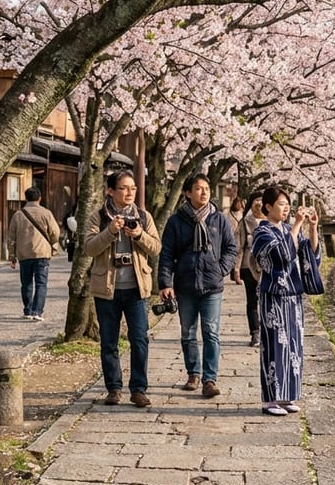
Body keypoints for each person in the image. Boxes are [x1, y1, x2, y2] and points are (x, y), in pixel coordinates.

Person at [85, 171, 161, 408]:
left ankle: (138, 389)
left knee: (139, 339)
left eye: (133, 189)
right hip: (107, 289)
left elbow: (156, 248)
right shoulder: (98, 217)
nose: (130, 193)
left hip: (137, 288)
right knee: (109, 341)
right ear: (111, 191)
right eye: (124, 188)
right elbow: (89, 248)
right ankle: (114, 388)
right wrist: (110, 232)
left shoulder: (143, 216)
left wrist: (138, 234)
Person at [159, 174, 238, 399]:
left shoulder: (219, 219)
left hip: (212, 285)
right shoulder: (176, 221)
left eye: (206, 188)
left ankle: (209, 379)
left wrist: (221, 268)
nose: (203, 192)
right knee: (188, 333)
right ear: (187, 193)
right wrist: (165, 282)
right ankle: (193, 373)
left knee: (211, 332)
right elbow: (166, 254)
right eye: (198, 188)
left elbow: (231, 248)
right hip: (185, 285)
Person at [252, 186, 319, 416]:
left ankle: (288, 396)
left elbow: (309, 256)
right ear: (268, 207)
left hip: (293, 297)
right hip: (273, 297)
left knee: (294, 347)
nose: (286, 208)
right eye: (281, 204)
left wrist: (312, 228)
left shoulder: (290, 229)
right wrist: (298, 225)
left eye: (287, 203)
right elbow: (281, 255)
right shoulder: (261, 233)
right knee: (275, 346)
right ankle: (270, 400)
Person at [6, 187, 61, 321]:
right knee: (41, 283)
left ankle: (28, 310)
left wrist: (12, 256)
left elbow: (11, 237)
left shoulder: (18, 214)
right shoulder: (46, 213)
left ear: (26, 198)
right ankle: (37, 312)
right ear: (39, 198)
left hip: (24, 254)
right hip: (42, 253)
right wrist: (52, 246)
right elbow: (55, 232)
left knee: (26, 283)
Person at [231, 191, 264, 347]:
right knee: (252, 301)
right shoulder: (245, 222)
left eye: (262, 200)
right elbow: (238, 247)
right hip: (247, 266)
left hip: (266, 267)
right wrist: (236, 269)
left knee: (266, 300)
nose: (259, 203)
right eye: (256, 200)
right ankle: (255, 333)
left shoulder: (272, 221)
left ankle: (267, 330)